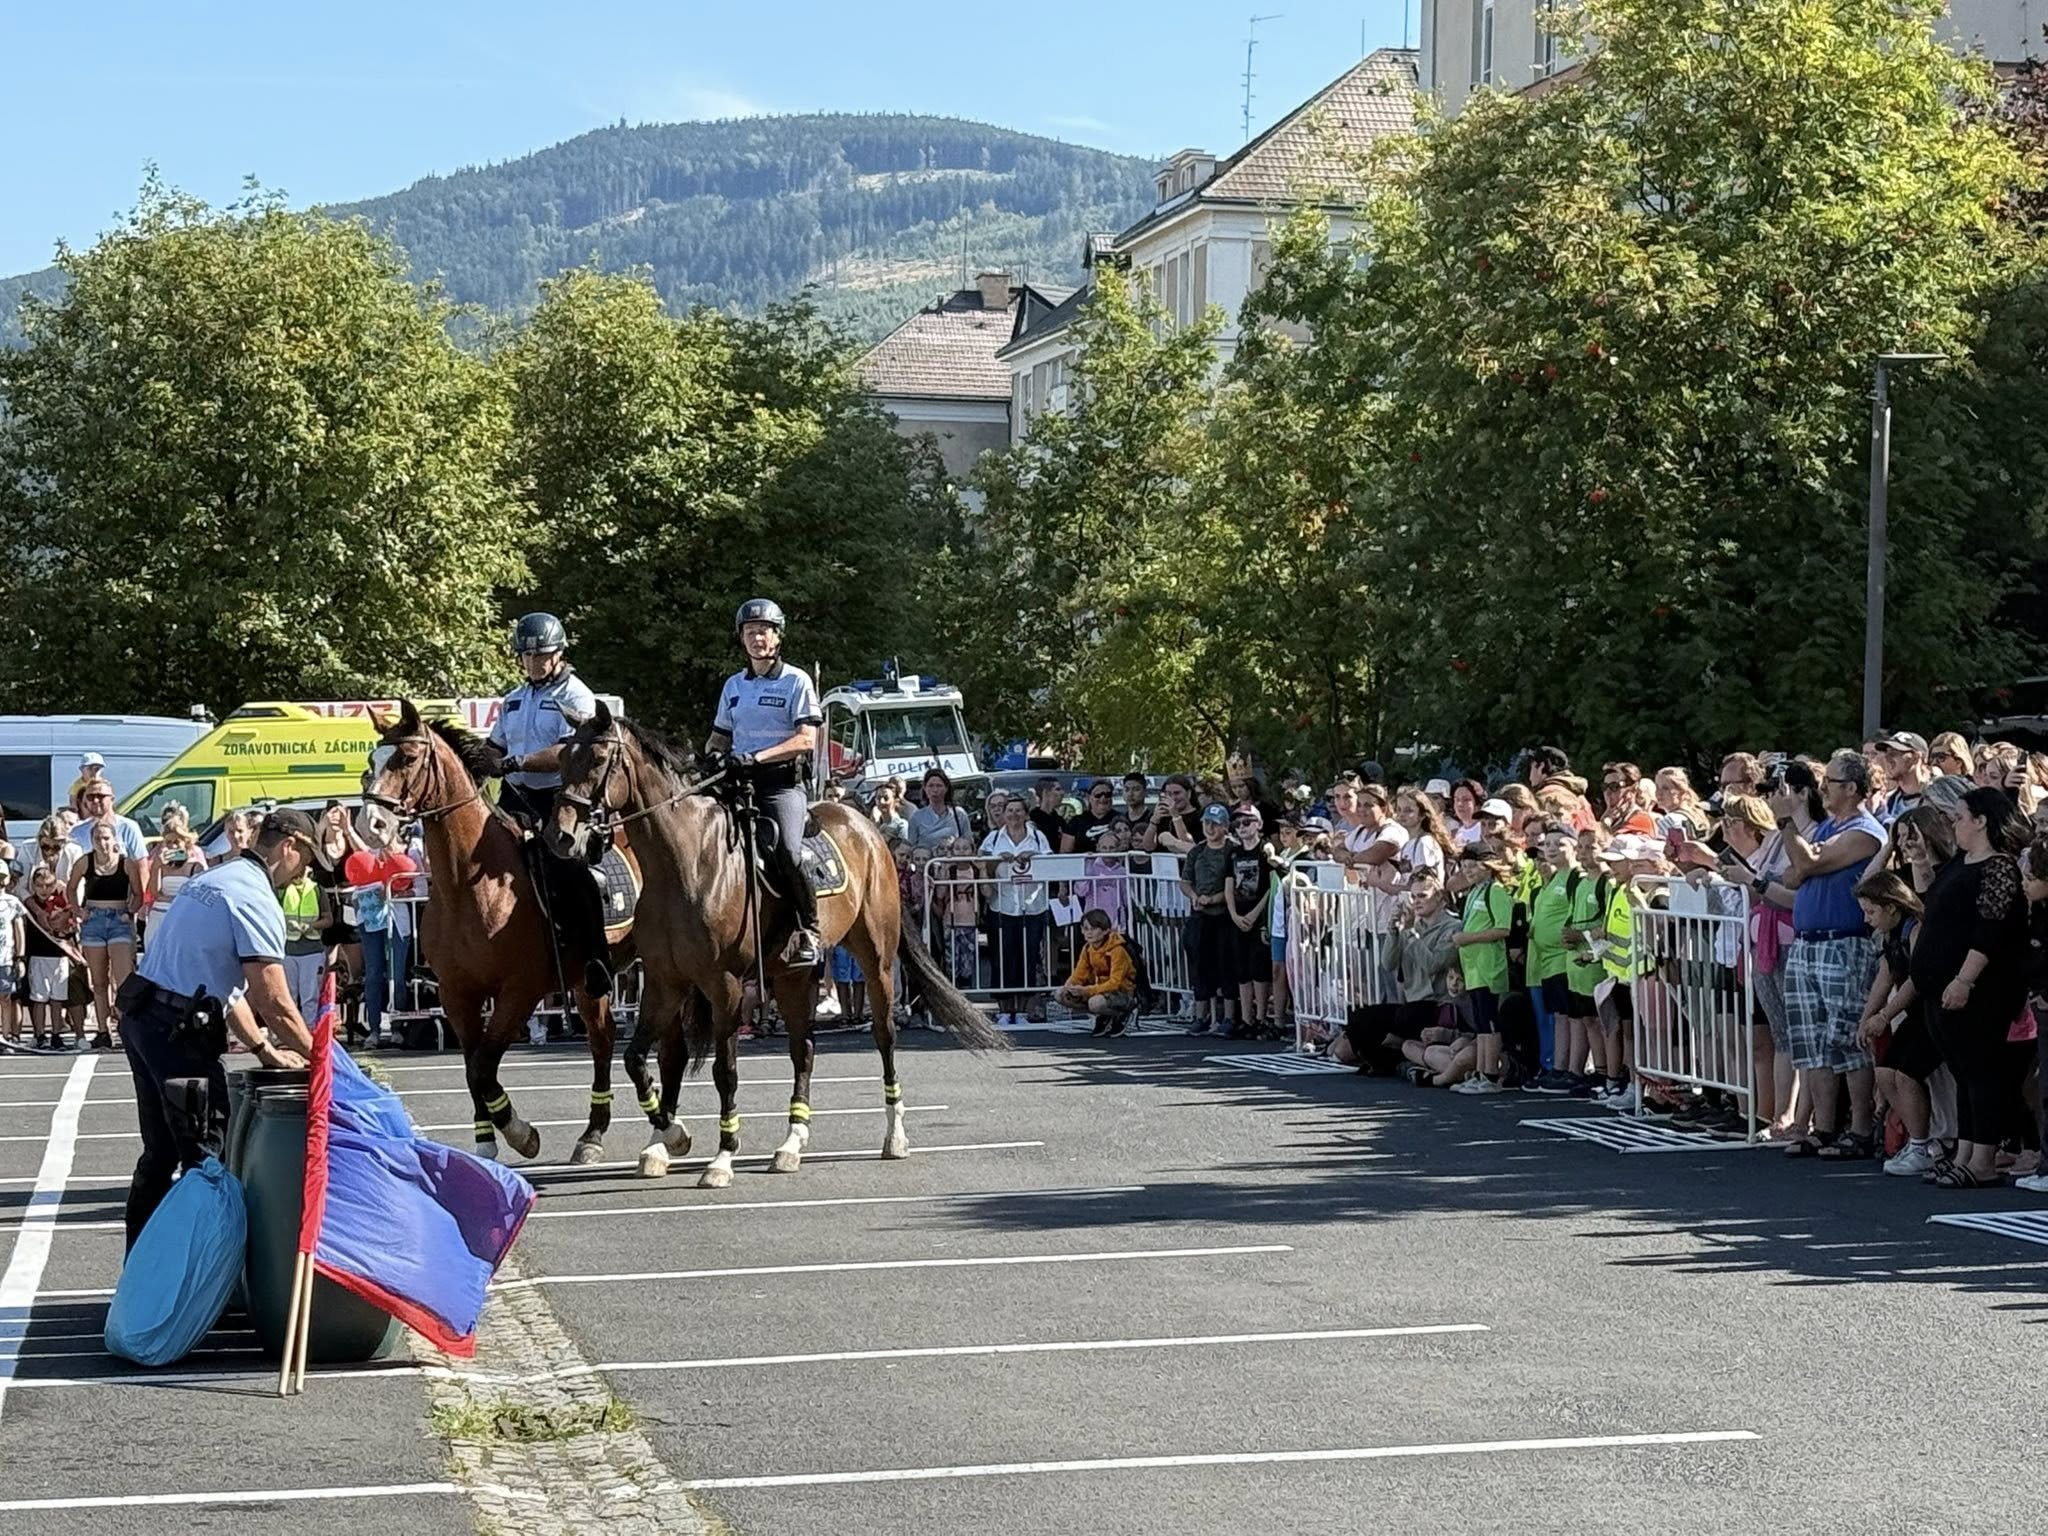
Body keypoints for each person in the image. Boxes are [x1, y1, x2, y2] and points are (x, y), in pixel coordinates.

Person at [116, 808, 315, 1247]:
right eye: (307, 859)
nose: (304, 871)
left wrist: (263, 1049)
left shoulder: (216, 878)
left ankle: (143, 1278)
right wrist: (326, 1058)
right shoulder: (255, 897)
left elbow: (228, 992)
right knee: (207, 1162)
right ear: (291, 847)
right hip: (177, 1032)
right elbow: (274, 999)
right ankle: (200, 1286)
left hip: (147, 1016)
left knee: (160, 1154)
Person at [1910, 788, 2032, 1188]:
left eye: (1959, 816)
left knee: (1983, 1072)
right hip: (1937, 986)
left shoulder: (1998, 868)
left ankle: (1983, 1157)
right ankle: (1963, 1152)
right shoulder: (1962, 861)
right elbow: (1933, 903)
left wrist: (1964, 979)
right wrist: (1920, 861)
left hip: (1981, 989)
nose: (1953, 823)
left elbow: (1990, 931)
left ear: (1981, 821)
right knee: (1964, 1072)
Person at [487, 610, 613, 991]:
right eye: (526, 656)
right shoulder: (512, 700)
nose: (533, 662)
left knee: (568, 867)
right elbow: (494, 746)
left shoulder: (576, 696)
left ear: (558, 654)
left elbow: (571, 749)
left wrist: (518, 761)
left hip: (561, 798)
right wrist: (482, 761)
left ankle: (596, 957)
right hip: (514, 794)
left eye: (540, 655)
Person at [1776, 750, 1886, 1160]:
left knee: (1847, 1040)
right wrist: (1803, 858)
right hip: (1808, 943)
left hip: (1843, 942)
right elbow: (1793, 872)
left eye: (1831, 782)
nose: (1823, 789)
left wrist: (1787, 822)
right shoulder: (1826, 828)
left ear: (1852, 789)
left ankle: (1860, 1128)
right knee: (1813, 1043)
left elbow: (1805, 862)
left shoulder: (1864, 831)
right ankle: (1823, 1127)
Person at [1852, 870, 1939, 1177]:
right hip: (1910, 1013)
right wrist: (1866, 1018)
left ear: (1891, 906)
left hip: (1930, 1010)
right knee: (1885, 1072)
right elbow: (1886, 975)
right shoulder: (1890, 934)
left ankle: (1921, 1145)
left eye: (1871, 912)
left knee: (1906, 1074)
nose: (1867, 919)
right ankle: (1919, 1139)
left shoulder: (1914, 929)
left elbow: (1915, 979)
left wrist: (1885, 1015)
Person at [979, 793, 1053, 1029]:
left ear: (1025, 813)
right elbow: (982, 865)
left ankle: (1022, 1010)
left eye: (1018, 810)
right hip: (1002, 905)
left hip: (1032, 905)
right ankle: (1004, 1009)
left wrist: (1034, 857)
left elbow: (1051, 863)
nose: (1013, 815)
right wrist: (998, 859)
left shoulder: (1038, 837)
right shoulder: (993, 838)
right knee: (1002, 958)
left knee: (1028, 958)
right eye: (1009, 810)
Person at [68, 820, 142, 1050]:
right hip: (94, 920)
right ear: (92, 841)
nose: (103, 843)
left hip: (118, 919)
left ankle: (126, 1029)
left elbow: (139, 894)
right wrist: (79, 912)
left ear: (114, 839)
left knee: (123, 979)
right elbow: (70, 888)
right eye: (98, 838)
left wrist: (129, 912)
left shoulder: (126, 864)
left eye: (107, 838)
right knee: (99, 981)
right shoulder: (85, 862)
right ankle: (103, 1030)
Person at [1182, 804, 1238, 1036]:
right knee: (1200, 965)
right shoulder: (1197, 851)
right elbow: (1185, 881)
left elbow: (1236, 883)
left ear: (1225, 826)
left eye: (1215, 823)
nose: (1210, 827)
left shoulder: (1232, 850)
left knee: (1227, 965)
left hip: (1224, 915)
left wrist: (1216, 898)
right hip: (1200, 915)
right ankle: (1200, 1015)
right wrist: (1195, 896)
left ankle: (1229, 1016)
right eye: (1206, 823)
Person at [1224, 805, 1273, 1039]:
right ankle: (1246, 1018)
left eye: (1248, 822)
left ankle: (1262, 1017)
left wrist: (1255, 914)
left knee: (1259, 967)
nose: (1242, 827)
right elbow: (1228, 884)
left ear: (1259, 824)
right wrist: (1234, 914)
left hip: (1259, 915)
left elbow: (1272, 885)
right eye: (1238, 824)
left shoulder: (1266, 851)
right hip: (1238, 914)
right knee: (1241, 968)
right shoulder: (1233, 853)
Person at [22, 867, 80, 1049]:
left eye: (48, 885)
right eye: (39, 885)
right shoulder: (29, 906)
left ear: (55, 885)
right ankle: (39, 1034)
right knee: (39, 998)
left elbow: (71, 928)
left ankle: (56, 1034)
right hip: (38, 956)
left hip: (60, 957)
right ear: (33, 886)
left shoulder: (63, 904)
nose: (44, 889)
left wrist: (66, 922)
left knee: (57, 999)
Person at [1059, 908, 1139, 1037]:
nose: (1089, 933)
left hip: (1122, 992)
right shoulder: (1087, 949)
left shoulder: (1117, 950)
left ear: (1105, 930)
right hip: (1100, 990)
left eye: (1094, 929)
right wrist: (1069, 986)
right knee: (1061, 994)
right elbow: (1079, 974)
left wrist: (1086, 991)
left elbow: (1115, 983)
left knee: (1095, 1003)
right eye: (1085, 928)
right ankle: (1104, 1015)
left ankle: (1122, 1013)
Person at [142, 802, 207, 952]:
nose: (172, 847)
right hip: (159, 916)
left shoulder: (195, 866)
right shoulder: (161, 864)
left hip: (182, 917)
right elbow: (155, 893)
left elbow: (197, 897)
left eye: (177, 842)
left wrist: (173, 899)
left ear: (186, 842)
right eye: (169, 842)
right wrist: (157, 866)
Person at [71, 781, 148, 863]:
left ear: (112, 799)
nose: (96, 800)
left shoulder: (128, 827)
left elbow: (141, 864)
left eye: (100, 796)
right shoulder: (77, 832)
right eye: (90, 797)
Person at [907, 769, 972, 852]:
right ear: (925, 789)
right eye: (931, 786)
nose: (935, 790)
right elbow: (912, 846)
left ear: (946, 788)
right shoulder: (916, 817)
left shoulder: (959, 814)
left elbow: (968, 842)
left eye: (939, 786)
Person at [1874, 732, 1932, 824]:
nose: (1887, 758)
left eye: (1894, 753)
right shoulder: (1887, 803)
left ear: (1916, 757)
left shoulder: (1936, 799)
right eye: (1886, 753)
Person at [1062, 781, 1122, 853]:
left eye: (1107, 795)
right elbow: (1065, 852)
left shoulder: (1120, 819)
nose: (1103, 798)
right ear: (1089, 797)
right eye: (1098, 795)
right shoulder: (1076, 821)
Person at [0, 864, 24, 1046]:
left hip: (5, 957)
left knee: (6, 997)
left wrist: (20, 957)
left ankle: (6, 1035)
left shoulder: (12, 902)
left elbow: (18, 930)